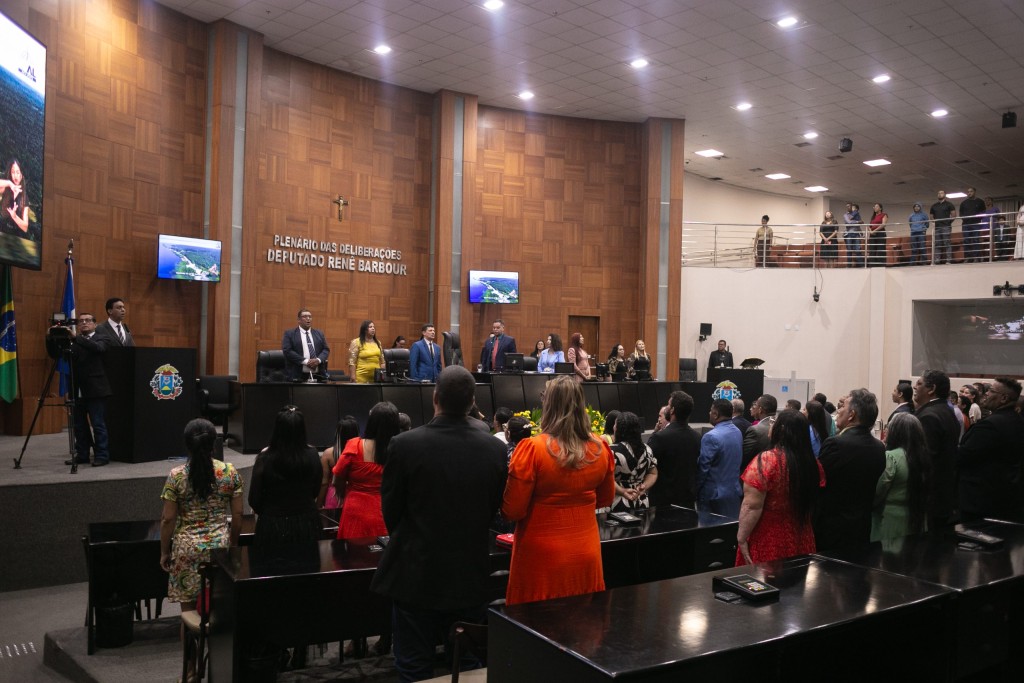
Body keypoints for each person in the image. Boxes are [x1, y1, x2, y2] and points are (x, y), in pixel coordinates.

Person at [370, 366, 507, 682]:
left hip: (416, 574)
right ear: (472, 402)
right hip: (469, 574)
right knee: (469, 663)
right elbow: (492, 509)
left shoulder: (404, 445)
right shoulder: (495, 448)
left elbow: (391, 512)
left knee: (414, 667)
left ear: (435, 398)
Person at [502, 375, 615, 605]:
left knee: (537, 623)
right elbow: (605, 499)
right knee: (583, 622)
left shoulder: (532, 450)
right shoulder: (600, 448)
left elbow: (512, 511)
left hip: (541, 559)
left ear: (549, 405)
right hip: (586, 553)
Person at [159, 418, 242, 680]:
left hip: (186, 551)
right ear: (213, 443)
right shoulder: (229, 472)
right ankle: (221, 669)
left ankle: (191, 671)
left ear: (187, 445)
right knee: (220, 612)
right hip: (220, 551)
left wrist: (164, 552)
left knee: (189, 615)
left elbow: (168, 519)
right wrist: (233, 545)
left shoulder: (176, 476)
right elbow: (238, 515)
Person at [736, 409, 824, 565]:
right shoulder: (813, 463)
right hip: (802, 536)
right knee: (796, 577)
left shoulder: (767, 461)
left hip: (769, 537)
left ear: (781, 429)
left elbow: (752, 506)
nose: (771, 425)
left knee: (764, 578)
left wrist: (741, 537)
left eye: (773, 422)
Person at [814, 388, 886, 551]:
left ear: (852, 415)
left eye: (843, 407)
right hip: (862, 525)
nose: (838, 411)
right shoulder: (879, 447)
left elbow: (818, 480)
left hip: (832, 527)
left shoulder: (835, 444)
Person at [248, 406, 322, 546]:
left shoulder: (265, 458)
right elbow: (315, 490)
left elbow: (254, 499)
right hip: (307, 522)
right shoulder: (313, 455)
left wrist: (270, 512)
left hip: (272, 524)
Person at [957, 378, 1024, 522]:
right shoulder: (1017, 420)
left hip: (980, 500)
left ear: (1004, 398)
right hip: (1006, 496)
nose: (986, 393)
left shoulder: (991, 425)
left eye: (991, 391)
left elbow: (964, 456)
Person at [333, 402, 401, 540]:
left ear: (372, 422)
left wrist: (343, 492)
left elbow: (337, 478)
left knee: (353, 552)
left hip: (355, 512)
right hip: (388, 512)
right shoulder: (400, 449)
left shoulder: (355, 445)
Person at [872, 413, 931, 544]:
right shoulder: (923, 457)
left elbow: (878, 491)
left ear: (896, 432)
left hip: (890, 522)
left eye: (888, 427)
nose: (886, 430)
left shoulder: (891, 457)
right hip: (918, 518)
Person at [912, 370, 961, 529]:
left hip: (930, 498)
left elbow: (924, 461)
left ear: (931, 389)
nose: (914, 387)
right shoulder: (946, 410)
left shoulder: (929, 416)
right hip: (943, 494)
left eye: (919, 383)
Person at [63, 313, 111, 466]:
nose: (84, 323)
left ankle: (102, 455)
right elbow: (61, 357)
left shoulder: (102, 338)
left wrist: (76, 338)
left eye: (88, 320)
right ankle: (82, 454)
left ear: (95, 324)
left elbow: (98, 349)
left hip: (96, 389)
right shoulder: (74, 342)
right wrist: (50, 338)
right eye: (81, 321)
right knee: (79, 425)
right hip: (77, 388)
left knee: (97, 424)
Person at [647, 390, 701, 508]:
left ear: (672, 410)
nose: (666, 407)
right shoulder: (697, 437)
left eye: (668, 405)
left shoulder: (659, 437)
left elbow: (647, 463)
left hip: (663, 504)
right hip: (688, 502)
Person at [697, 398, 743, 519]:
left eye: (711, 411)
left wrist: (696, 491)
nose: (709, 413)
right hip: (734, 492)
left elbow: (703, 469)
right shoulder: (737, 432)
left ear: (716, 414)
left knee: (710, 530)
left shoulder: (710, 437)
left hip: (713, 498)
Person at [609, 411, 657, 512]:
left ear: (619, 429)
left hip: (618, 502)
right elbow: (653, 473)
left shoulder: (611, 451)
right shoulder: (647, 449)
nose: (613, 427)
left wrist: (622, 491)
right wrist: (644, 486)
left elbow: (606, 479)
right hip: (641, 501)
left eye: (615, 424)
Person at [318, 415, 360, 508]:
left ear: (338, 433)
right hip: (355, 496)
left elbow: (324, 483)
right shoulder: (362, 454)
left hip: (334, 498)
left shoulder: (328, 454)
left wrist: (318, 505)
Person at [281, 308, 330, 381]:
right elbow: (287, 350)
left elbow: (326, 349)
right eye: (305, 316)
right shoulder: (290, 334)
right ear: (299, 320)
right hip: (297, 375)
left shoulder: (319, 333)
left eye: (310, 316)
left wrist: (318, 360)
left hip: (319, 375)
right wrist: (306, 361)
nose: (308, 318)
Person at [742, 394, 778, 469]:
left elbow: (744, 457)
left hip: (757, 470)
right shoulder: (781, 425)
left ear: (760, 409)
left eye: (756, 406)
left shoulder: (755, 430)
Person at [0, 159, 32, 239]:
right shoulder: (6, 189)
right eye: (13, 172)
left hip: (14, 237)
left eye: (17, 172)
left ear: (22, 175)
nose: (15, 175)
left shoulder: (24, 197)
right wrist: (9, 183)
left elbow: (25, 227)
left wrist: (14, 216)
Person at [959, 186, 986, 262]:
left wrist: (977, 218)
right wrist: (965, 218)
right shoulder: (964, 203)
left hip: (976, 224)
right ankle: (967, 257)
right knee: (966, 241)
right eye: (968, 192)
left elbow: (983, 212)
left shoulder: (980, 201)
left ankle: (976, 257)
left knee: (976, 240)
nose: (969, 193)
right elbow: (961, 214)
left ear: (974, 192)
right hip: (966, 224)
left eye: (971, 191)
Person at [929, 190, 956, 264]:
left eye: (941, 193)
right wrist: (934, 222)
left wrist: (948, 222)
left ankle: (948, 260)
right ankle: (937, 260)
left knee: (947, 243)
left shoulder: (949, 204)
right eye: (938, 193)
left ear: (945, 195)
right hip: (937, 228)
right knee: (937, 244)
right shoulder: (934, 206)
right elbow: (931, 216)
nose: (939, 194)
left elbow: (954, 215)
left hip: (946, 227)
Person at [843, 203, 864, 267]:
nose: (848, 207)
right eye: (847, 206)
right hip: (849, 234)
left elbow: (861, 223)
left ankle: (861, 265)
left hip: (856, 234)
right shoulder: (845, 215)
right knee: (849, 250)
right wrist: (857, 222)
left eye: (849, 206)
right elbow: (849, 222)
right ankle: (849, 266)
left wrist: (861, 232)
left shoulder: (857, 214)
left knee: (858, 250)